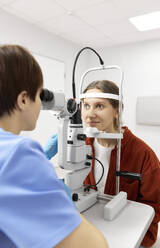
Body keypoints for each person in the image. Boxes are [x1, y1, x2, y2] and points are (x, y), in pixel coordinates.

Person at [0, 45, 108, 248]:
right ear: (23, 99)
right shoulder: (19, 153)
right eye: (40, 96)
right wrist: (62, 204)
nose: (41, 105)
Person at [81, 80, 160, 248]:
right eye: (86, 105)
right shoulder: (82, 147)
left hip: (135, 236)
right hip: (97, 230)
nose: (90, 114)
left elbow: (158, 207)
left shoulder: (143, 155)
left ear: (117, 111)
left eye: (99, 106)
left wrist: (121, 230)